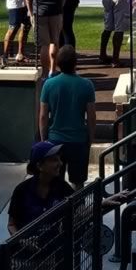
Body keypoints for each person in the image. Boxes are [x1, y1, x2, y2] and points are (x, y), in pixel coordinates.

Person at [38, 46, 97, 185]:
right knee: (78, 183)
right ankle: (77, 207)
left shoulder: (49, 84)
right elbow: (91, 117)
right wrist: (90, 138)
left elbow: (43, 116)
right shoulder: (87, 85)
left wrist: (43, 139)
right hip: (78, 141)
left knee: (54, 183)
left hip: (54, 140)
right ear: (75, 63)